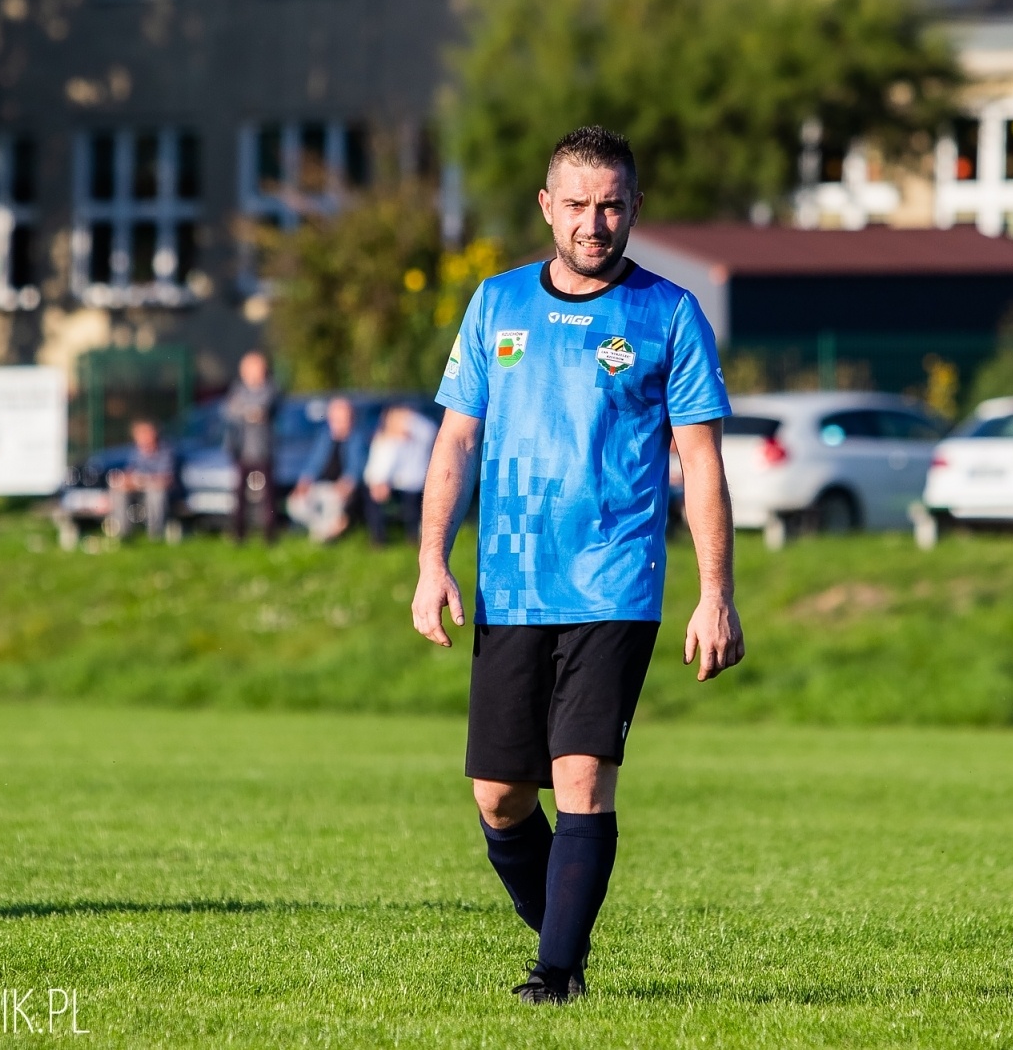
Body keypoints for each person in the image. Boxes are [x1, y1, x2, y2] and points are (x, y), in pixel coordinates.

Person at [411, 126, 745, 1005]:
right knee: (499, 798)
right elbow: (457, 439)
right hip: (511, 583)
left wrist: (716, 595)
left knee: (582, 777)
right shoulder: (496, 304)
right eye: (578, 205)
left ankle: (552, 974)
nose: (594, 223)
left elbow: (701, 464)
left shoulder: (668, 314)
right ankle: (567, 935)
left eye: (611, 205)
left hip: (614, 583)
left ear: (633, 207)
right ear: (546, 207)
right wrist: (429, 561)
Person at [287, 396, 367, 544]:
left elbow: (356, 468)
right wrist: (304, 482)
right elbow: (313, 463)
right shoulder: (324, 437)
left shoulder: (357, 439)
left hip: (338, 488)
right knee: (295, 504)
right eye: (336, 419)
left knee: (333, 502)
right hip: (319, 485)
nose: (339, 423)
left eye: (343, 419)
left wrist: (347, 485)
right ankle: (326, 531)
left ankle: (321, 538)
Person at [224, 351, 279, 543]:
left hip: (263, 451)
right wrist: (248, 412)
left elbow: (261, 410)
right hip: (242, 451)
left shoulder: (270, 389)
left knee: (267, 497)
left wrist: (244, 410)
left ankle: (269, 535)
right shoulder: (237, 389)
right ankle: (239, 534)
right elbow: (229, 411)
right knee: (240, 496)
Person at [363, 405, 436, 546]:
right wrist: (378, 482)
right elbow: (380, 465)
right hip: (393, 483)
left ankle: (414, 539)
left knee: (413, 510)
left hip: (414, 483)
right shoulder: (386, 439)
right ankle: (379, 539)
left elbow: (429, 432)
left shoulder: (417, 435)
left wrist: (410, 420)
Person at [107, 419, 175, 540]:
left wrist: (141, 481)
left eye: (145, 434)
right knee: (118, 491)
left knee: (156, 494)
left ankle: (155, 535)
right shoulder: (136, 452)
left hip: (159, 491)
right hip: (139, 490)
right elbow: (130, 472)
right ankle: (123, 533)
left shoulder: (165, 451)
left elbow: (165, 480)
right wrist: (126, 481)